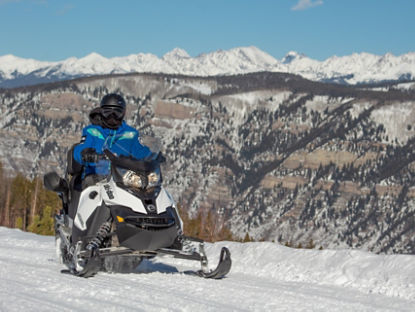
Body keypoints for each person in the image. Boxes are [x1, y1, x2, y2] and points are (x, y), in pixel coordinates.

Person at [71, 93, 152, 180]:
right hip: (95, 177)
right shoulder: (92, 131)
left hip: (123, 180)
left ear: (123, 113)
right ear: (101, 112)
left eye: (117, 112)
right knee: (90, 184)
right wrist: (86, 154)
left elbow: (140, 151)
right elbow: (80, 148)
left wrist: (152, 157)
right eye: (107, 112)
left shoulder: (131, 134)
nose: (112, 116)